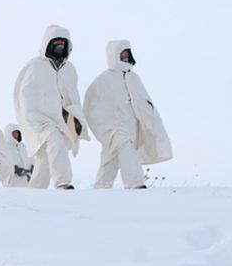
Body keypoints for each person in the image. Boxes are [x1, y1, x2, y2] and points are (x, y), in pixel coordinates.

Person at [84, 40, 172, 189]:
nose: (125, 56)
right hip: (112, 128)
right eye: (121, 53)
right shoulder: (102, 81)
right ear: (113, 55)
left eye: (127, 53)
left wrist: (152, 123)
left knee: (110, 159)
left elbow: (145, 104)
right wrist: (103, 128)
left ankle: (100, 189)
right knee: (124, 146)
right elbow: (91, 107)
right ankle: (135, 183)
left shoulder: (134, 78)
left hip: (130, 127)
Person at [13, 25, 89, 189]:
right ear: (48, 43)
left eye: (63, 43)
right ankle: (63, 182)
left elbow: (72, 96)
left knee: (45, 156)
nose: (60, 46)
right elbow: (25, 94)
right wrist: (30, 116)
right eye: (56, 42)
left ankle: (35, 190)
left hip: (58, 119)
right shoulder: (35, 66)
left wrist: (76, 117)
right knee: (56, 140)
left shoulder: (69, 69)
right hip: (38, 118)